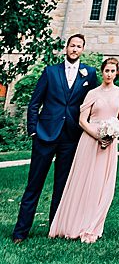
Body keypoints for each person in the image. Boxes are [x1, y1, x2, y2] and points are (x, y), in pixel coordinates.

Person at [12, 33, 99, 242]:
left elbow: (93, 103)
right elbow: (34, 103)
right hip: (45, 134)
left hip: (70, 137)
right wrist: (33, 129)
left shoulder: (89, 74)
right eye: (72, 45)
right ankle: (20, 231)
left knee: (62, 185)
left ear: (82, 50)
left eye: (78, 46)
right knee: (34, 183)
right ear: (66, 48)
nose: (74, 49)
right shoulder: (51, 72)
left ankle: (56, 227)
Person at [48, 56, 119, 243]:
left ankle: (93, 224)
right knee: (83, 182)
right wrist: (98, 135)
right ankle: (74, 223)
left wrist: (113, 134)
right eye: (106, 70)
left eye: (112, 71)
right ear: (102, 72)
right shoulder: (92, 93)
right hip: (90, 140)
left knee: (101, 184)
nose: (109, 74)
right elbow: (82, 120)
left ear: (117, 73)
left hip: (109, 144)